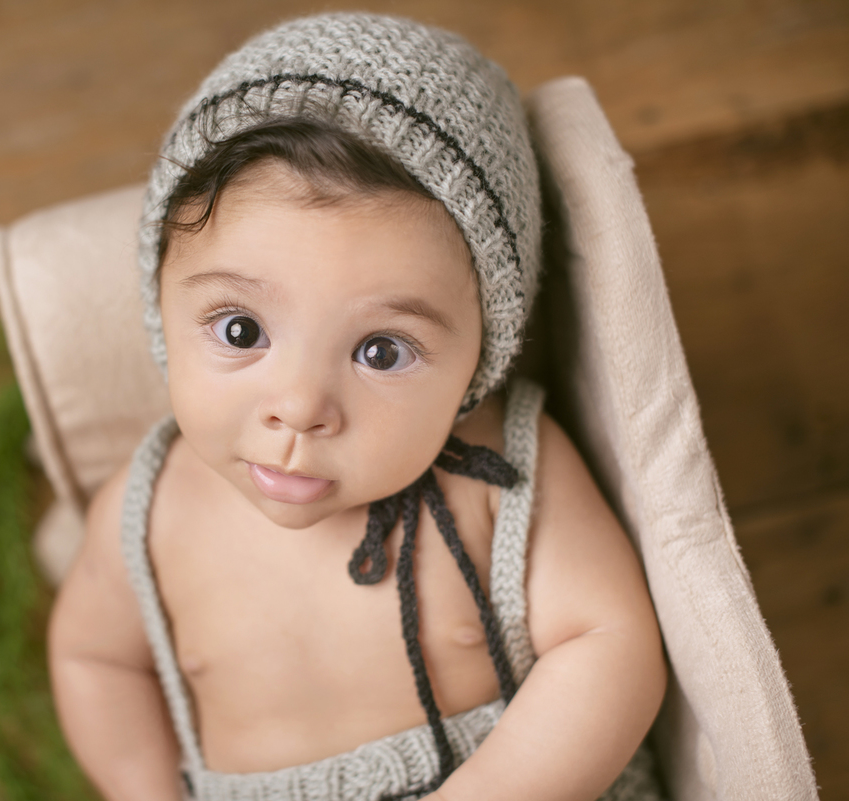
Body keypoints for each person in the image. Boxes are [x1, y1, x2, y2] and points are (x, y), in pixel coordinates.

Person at [49, 13, 667, 801]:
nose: (301, 407)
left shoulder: (501, 470)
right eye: (241, 330)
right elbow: (95, 657)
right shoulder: (149, 507)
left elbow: (610, 643)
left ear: (483, 352)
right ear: (161, 303)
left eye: (382, 351)